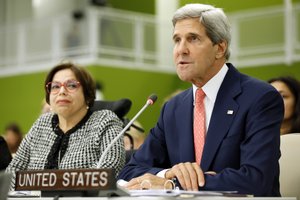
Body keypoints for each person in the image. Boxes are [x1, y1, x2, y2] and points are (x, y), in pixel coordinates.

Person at [118, 3, 284, 197]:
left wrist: (174, 184)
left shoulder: (260, 98)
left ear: (220, 48)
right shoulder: (173, 108)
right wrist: (168, 174)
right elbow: (131, 170)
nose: (181, 50)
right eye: (177, 40)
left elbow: (255, 180)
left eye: (193, 39)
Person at [6, 62, 125, 189]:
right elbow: (12, 172)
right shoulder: (41, 124)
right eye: (55, 86)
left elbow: (109, 169)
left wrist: (49, 183)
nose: (62, 91)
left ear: (87, 93)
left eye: (72, 85)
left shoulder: (105, 120)